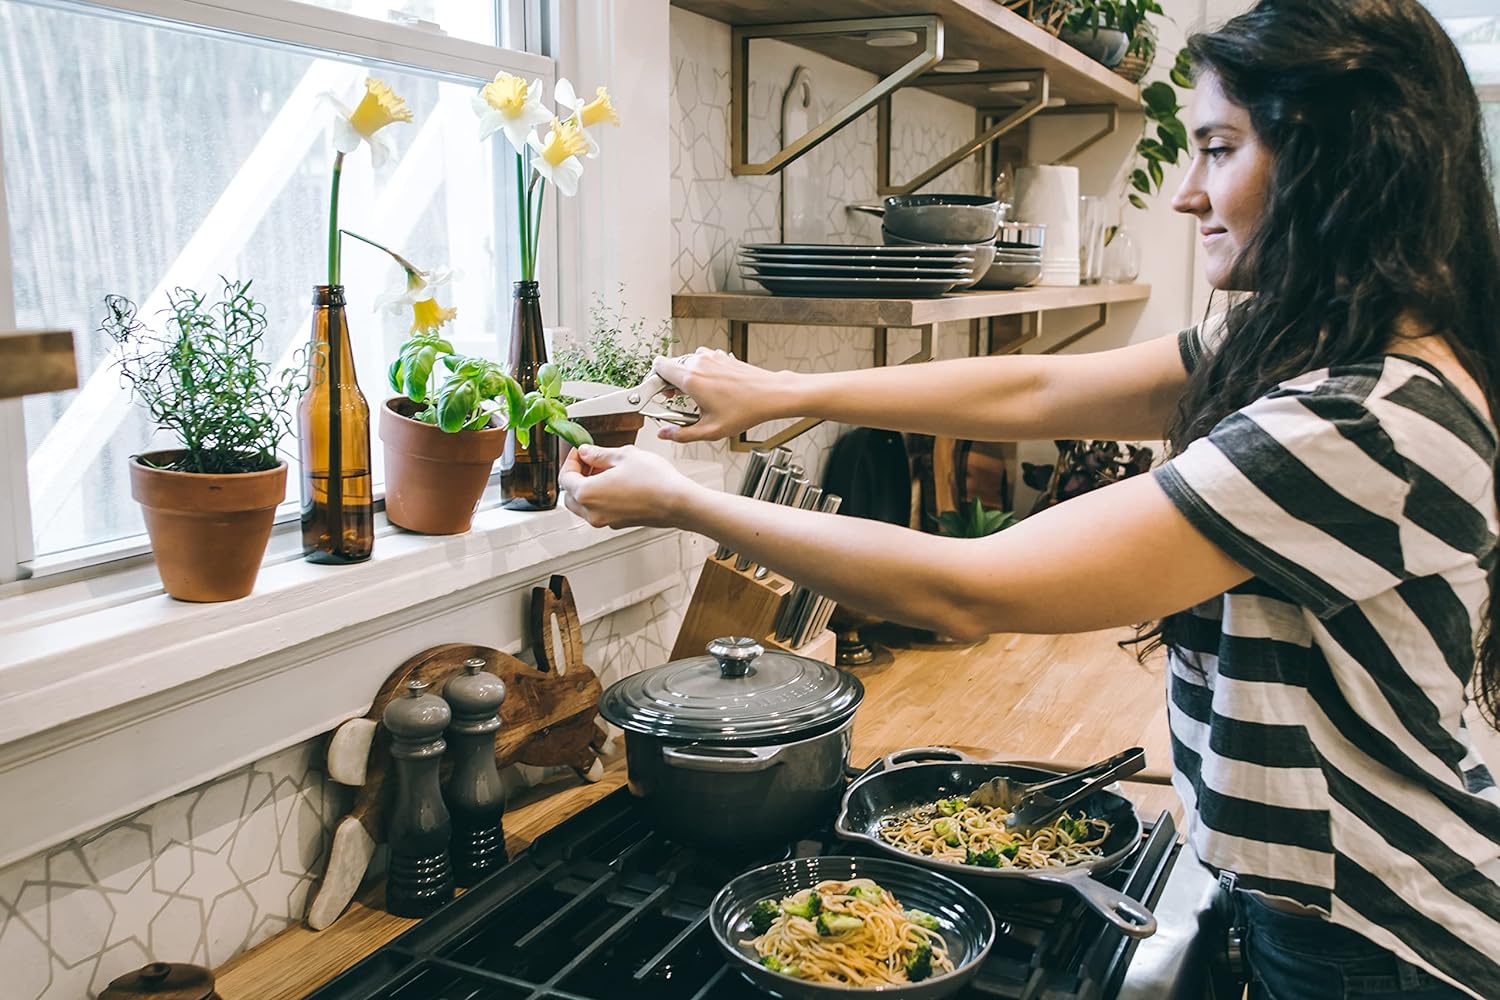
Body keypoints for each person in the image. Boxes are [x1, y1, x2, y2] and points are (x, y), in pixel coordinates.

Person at [560, 1, 1500, 996]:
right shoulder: (1312, 346)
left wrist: (686, 503)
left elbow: (977, 587)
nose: (1186, 195)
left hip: (1379, 941)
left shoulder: (1359, 417)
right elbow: (1037, 387)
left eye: (1219, 149)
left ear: (1342, 164)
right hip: (1317, 904)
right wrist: (787, 391)